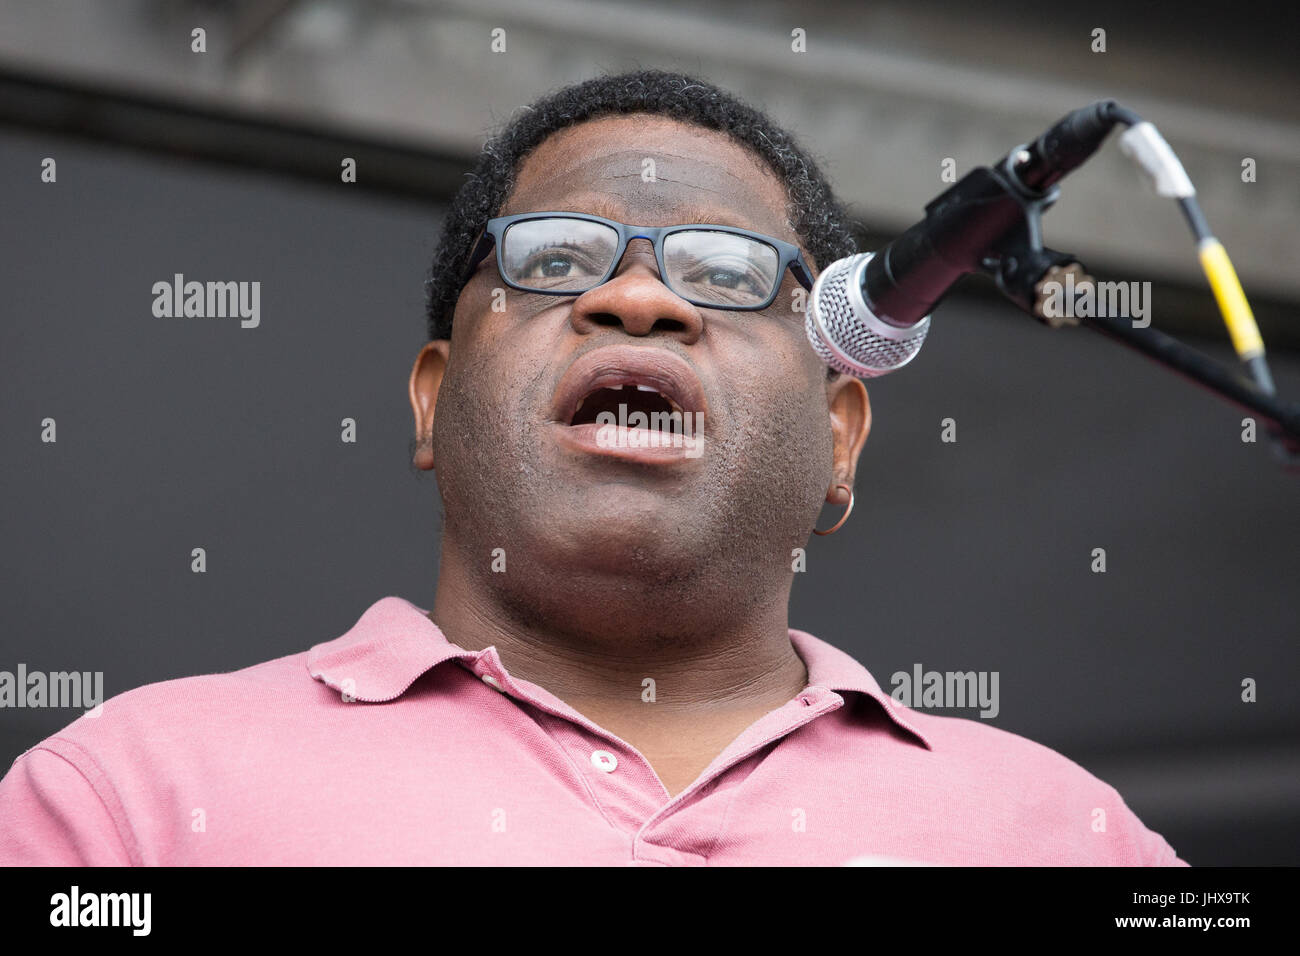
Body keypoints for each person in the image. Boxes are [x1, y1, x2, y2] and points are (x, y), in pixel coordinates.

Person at [0, 69, 1185, 865]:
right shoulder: (128, 799)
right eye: (558, 256)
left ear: (837, 439)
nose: (634, 297)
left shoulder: (1071, 836)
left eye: (724, 272)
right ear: (434, 398)